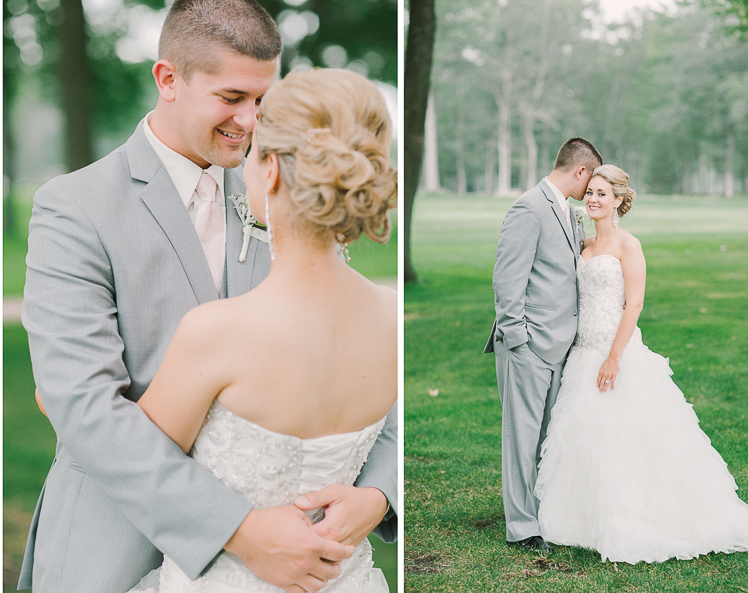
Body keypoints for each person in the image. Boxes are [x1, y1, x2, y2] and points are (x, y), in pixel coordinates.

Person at [19, 1, 397, 592]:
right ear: (168, 80)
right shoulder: (75, 207)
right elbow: (86, 410)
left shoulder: (289, 192)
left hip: (301, 554)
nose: (251, 122)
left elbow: (368, 370)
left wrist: (379, 493)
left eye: (263, 102)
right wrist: (240, 531)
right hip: (116, 550)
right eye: (231, 98)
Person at [125, 66, 397, 592]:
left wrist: (61, 399)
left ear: (270, 169)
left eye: (252, 152)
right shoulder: (389, 316)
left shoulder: (217, 333)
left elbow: (140, 464)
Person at [534, 165, 748, 563]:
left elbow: (633, 304)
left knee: (623, 439)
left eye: (603, 193)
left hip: (613, 354)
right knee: (583, 438)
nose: (594, 199)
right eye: (591, 192)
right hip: (581, 355)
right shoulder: (583, 245)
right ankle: (583, 519)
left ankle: (633, 518)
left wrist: (614, 358)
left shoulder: (628, 246)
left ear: (619, 200)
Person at [484, 137, 603, 551]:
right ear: (580, 171)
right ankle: (522, 526)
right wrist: (519, 340)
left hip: (561, 347)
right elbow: (507, 280)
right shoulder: (528, 207)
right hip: (529, 346)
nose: (590, 191)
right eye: (591, 181)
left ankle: (544, 512)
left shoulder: (568, 214)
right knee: (522, 438)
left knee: (547, 437)